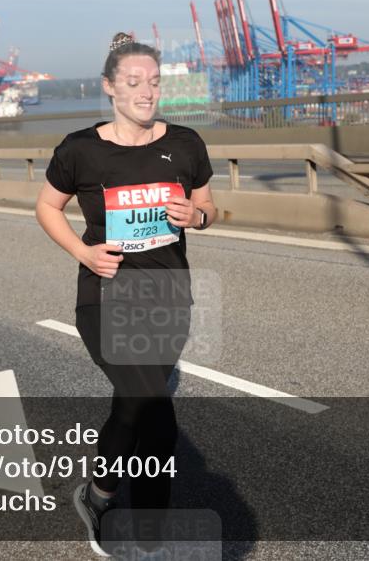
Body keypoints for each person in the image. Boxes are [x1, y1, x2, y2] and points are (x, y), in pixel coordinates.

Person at [36, 32, 217, 558]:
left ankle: (98, 495)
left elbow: (211, 208)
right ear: (110, 87)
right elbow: (47, 208)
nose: (146, 92)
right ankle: (147, 542)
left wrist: (198, 216)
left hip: (168, 298)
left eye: (154, 82)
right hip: (105, 297)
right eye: (134, 82)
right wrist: (84, 253)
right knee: (157, 417)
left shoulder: (184, 144)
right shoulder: (80, 150)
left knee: (131, 408)